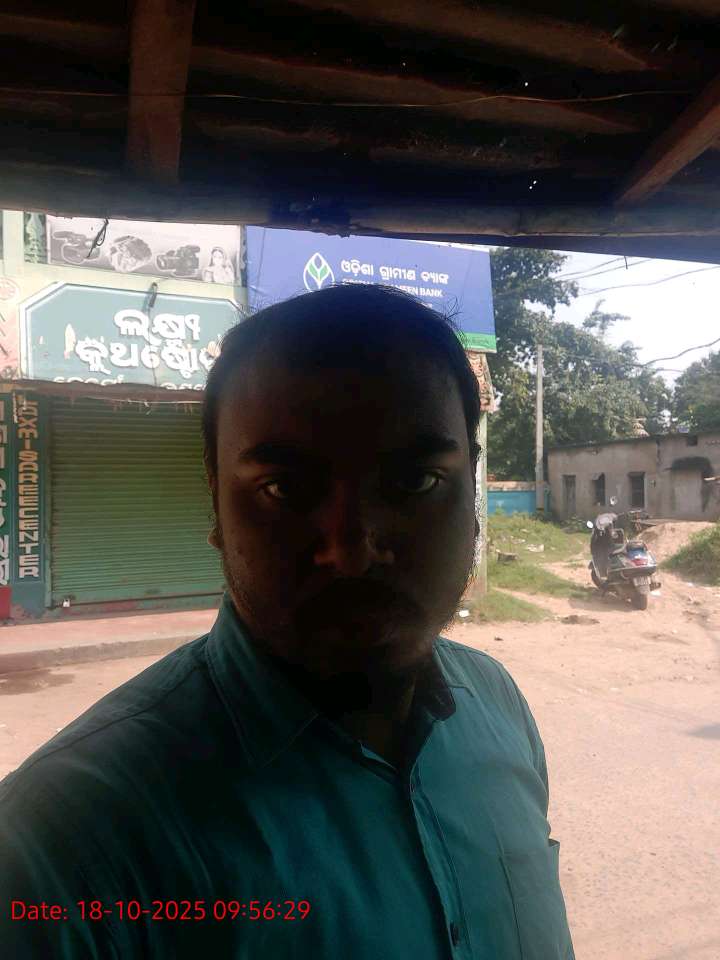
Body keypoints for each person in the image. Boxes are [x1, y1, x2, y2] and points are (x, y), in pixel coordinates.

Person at [0, 284, 575, 959]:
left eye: (417, 482)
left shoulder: (498, 707)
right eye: (286, 490)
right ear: (216, 502)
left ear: (472, 491)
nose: (352, 550)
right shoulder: (59, 846)